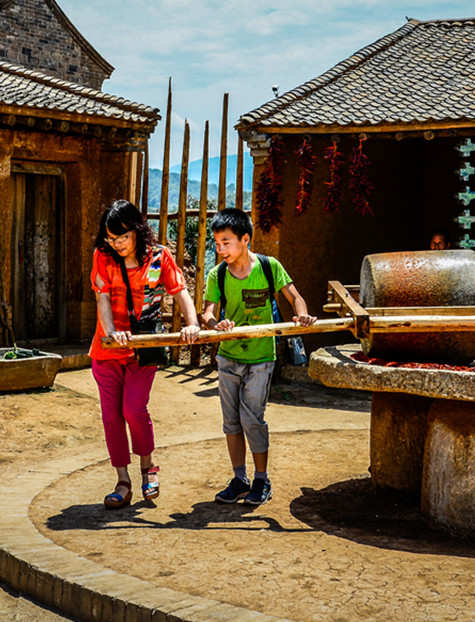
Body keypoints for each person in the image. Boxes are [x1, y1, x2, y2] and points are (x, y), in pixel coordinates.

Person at [202, 208, 316, 506]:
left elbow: (295, 297)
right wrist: (218, 326)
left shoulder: (269, 267)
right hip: (228, 357)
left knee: (252, 419)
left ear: (245, 239)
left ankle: (261, 480)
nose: (221, 249)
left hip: (262, 357)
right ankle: (240, 479)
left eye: (226, 242)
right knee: (231, 422)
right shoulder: (218, 275)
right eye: (217, 244)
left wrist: (301, 315)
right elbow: (207, 313)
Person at [90, 200, 200, 509]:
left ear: (136, 230)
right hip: (108, 348)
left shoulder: (159, 257)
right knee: (112, 417)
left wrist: (191, 325)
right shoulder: (102, 257)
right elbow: (103, 300)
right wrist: (111, 332)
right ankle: (122, 481)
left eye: (122, 237)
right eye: (111, 239)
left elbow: (180, 291)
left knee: (134, 409)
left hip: (145, 346)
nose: (117, 245)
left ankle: (148, 469)